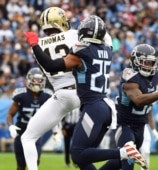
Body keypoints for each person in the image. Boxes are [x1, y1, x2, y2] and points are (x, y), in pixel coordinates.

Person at [24, 15, 148, 170]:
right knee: (85, 159)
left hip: (93, 108)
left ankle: (124, 152)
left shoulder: (82, 53)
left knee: (77, 154)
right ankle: (124, 153)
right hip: (105, 107)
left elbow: (51, 66)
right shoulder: (107, 50)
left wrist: (35, 45)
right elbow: (105, 37)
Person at [99, 44, 158, 170]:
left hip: (140, 127)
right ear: (135, 61)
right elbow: (138, 100)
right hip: (126, 127)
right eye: (145, 62)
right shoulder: (129, 75)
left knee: (119, 161)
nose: (149, 65)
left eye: (151, 63)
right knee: (128, 164)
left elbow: (149, 102)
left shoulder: (155, 76)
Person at [21, 7, 81, 170]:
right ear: (60, 21)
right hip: (84, 92)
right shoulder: (74, 34)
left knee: (27, 137)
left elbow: (47, 65)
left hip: (61, 95)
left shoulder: (37, 44)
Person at [6, 67, 52, 170]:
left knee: (36, 161)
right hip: (21, 132)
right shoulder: (21, 95)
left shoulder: (47, 96)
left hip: (35, 133)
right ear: (29, 80)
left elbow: (54, 114)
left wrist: (56, 130)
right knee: (21, 165)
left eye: (39, 80)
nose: (37, 83)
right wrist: (11, 126)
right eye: (34, 80)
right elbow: (10, 114)